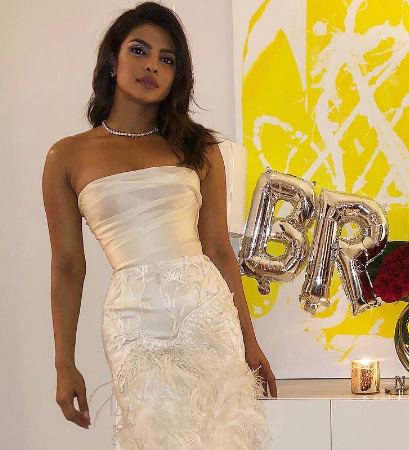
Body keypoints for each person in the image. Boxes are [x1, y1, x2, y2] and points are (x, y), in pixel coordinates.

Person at [42, 2, 275, 448]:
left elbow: (218, 249)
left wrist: (251, 343)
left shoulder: (200, 148)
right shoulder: (66, 156)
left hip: (205, 310)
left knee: (223, 433)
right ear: (112, 62)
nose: (152, 65)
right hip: (133, 320)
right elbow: (68, 265)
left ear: (176, 76)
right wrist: (63, 365)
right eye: (139, 50)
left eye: (166, 59)